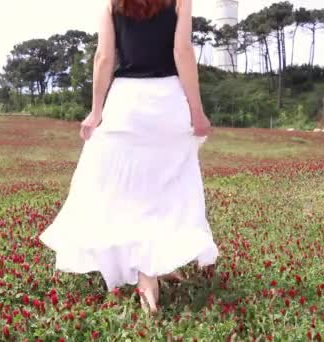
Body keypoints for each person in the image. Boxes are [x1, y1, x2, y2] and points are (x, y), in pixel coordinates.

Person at [39, 0, 219, 313]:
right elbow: (183, 53)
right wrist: (197, 111)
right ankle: (150, 267)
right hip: (167, 101)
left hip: (125, 102)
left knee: (124, 190)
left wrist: (96, 112)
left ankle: (150, 267)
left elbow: (104, 57)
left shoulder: (113, 3)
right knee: (166, 189)